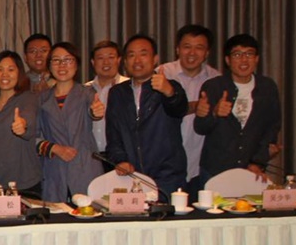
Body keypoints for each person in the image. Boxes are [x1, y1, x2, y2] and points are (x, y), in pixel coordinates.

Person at [106, 35, 189, 200]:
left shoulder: (170, 86)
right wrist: (121, 160)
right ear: (125, 62)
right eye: (131, 55)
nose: (137, 60)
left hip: (167, 178)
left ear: (155, 59)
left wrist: (169, 92)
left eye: (143, 54)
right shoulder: (117, 93)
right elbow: (113, 135)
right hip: (132, 177)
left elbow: (179, 109)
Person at [195, 34, 281, 183]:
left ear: (257, 59)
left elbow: (272, 129)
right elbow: (200, 127)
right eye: (237, 55)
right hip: (215, 170)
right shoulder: (213, 86)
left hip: (251, 170)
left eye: (249, 54)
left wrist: (257, 163)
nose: (244, 60)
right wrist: (214, 113)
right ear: (227, 60)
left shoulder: (267, 87)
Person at [34, 43, 104, 202]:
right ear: (49, 66)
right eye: (56, 60)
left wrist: (96, 113)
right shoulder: (41, 98)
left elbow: (93, 111)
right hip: (53, 169)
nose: (62, 65)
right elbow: (34, 137)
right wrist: (55, 148)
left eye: (68, 60)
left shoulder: (87, 93)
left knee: (88, 212)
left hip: (84, 166)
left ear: (77, 64)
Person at [158, 25, 220, 190]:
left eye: (199, 48)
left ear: (207, 52)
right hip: (165, 166)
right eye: (187, 47)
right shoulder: (162, 74)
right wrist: (195, 106)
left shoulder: (217, 80)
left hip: (201, 165)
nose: (192, 53)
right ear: (177, 49)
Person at [0, 50, 42, 195]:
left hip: (24, 181)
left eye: (10, 69)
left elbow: (28, 120)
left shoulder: (28, 98)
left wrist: (22, 126)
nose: (5, 74)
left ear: (19, 73)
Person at [84, 40, 129, 169]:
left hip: (122, 158)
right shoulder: (84, 90)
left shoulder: (129, 87)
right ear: (93, 62)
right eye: (100, 58)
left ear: (119, 60)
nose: (106, 62)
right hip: (91, 158)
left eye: (111, 57)